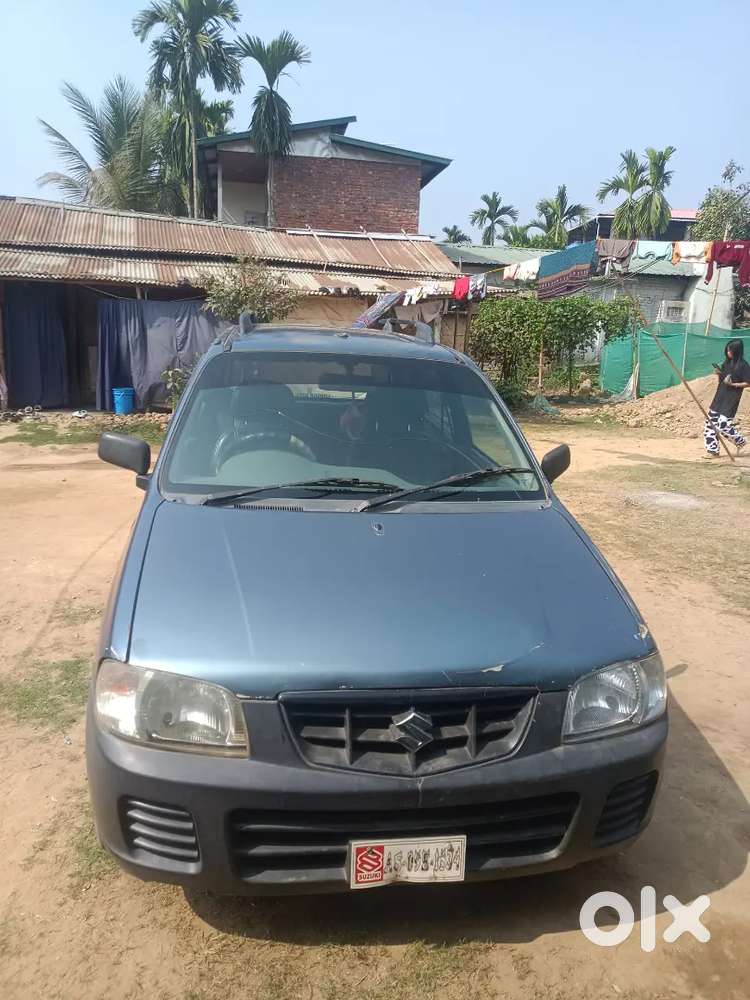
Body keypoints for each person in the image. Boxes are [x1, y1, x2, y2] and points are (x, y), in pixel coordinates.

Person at [703, 339, 750, 458]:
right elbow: (723, 379)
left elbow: (748, 382)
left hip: (731, 398)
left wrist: (734, 385)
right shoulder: (726, 363)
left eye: (730, 350)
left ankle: (740, 442)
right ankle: (713, 451)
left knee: (722, 425)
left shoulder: (743, 365)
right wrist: (719, 373)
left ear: (737, 351)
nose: (728, 352)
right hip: (720, 396)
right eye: (727, 349)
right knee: (710, 424)